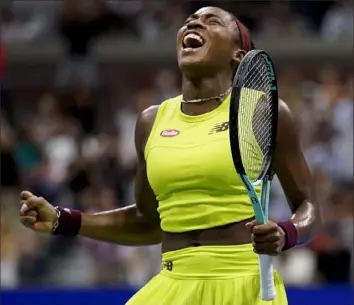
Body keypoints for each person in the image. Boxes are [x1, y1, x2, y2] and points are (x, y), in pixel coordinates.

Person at [19, 6, 321, 305]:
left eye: (211, 21)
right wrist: (63, 219)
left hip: (244, 283)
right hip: (173, 281)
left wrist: (286, 233)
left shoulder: (263, 111)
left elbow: (309, 207)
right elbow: (148, 221)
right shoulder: (151, 122)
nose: (194, 24)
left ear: (238, 54)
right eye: (190, 21)